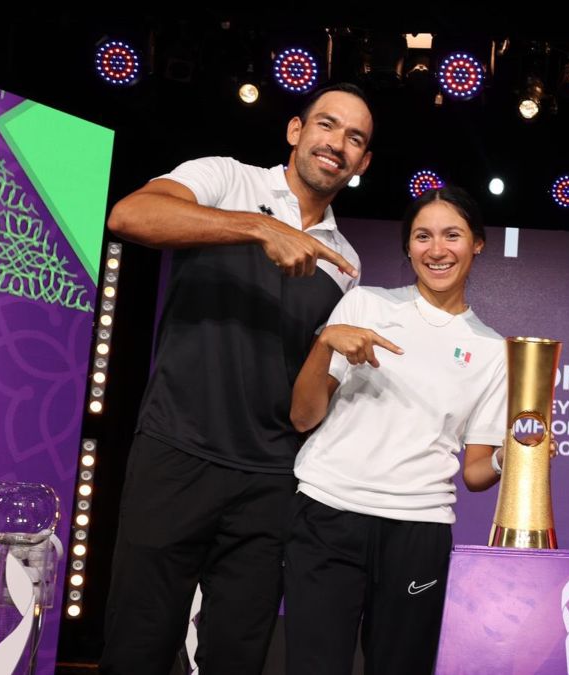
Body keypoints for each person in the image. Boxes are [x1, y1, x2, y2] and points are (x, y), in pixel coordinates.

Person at [100, 82, 374, 675]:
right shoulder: (226, 178)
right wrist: (257, 227)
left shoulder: (346, 264)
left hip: (271, 482)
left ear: (363, 162)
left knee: (237, 657)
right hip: (174, 454)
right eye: (326, 125)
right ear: (296, 131)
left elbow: (309, 399)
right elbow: (130, 214)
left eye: (355, 138)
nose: (338, 144)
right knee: (138, 645)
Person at [283, 185, 507, 674]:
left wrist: (511, 457)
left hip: (418, 529)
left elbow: (475, 471)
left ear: (477, 244)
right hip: (329, 512)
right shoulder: (366, 305)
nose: (437, 249)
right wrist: (325, 345)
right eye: (423, 236)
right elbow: (303, 417)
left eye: (452, 235)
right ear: (408, 247)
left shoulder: (492, 350)